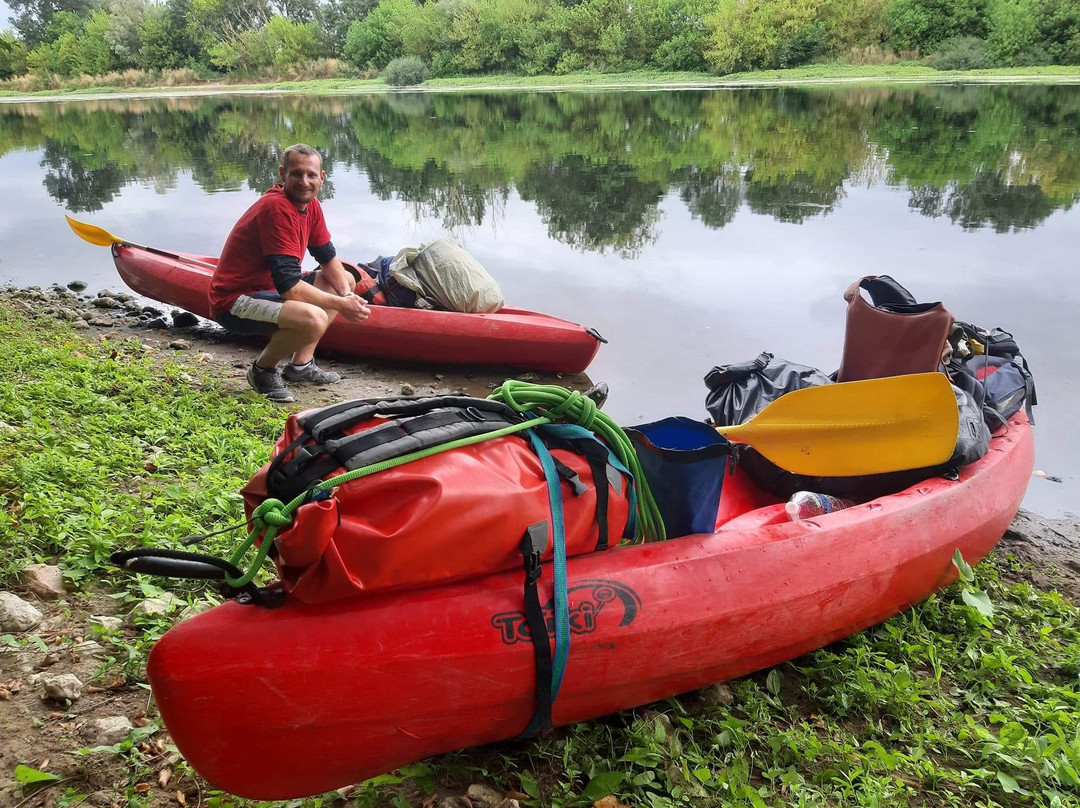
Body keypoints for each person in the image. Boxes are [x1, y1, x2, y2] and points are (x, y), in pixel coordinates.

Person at [208, 143, 371, 403]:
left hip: (269, 289)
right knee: (314, 318)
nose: (304, 181)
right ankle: (262, 370)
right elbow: (290, 287)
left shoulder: (312, 206)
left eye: (311, 175)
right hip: (234, 301)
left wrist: (347, 294)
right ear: (283, 174)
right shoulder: (276, 208)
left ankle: (301, 366)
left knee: (343, 279)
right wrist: (342, 304)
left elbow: (327, 258)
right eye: (296, 174)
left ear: (322, 178)